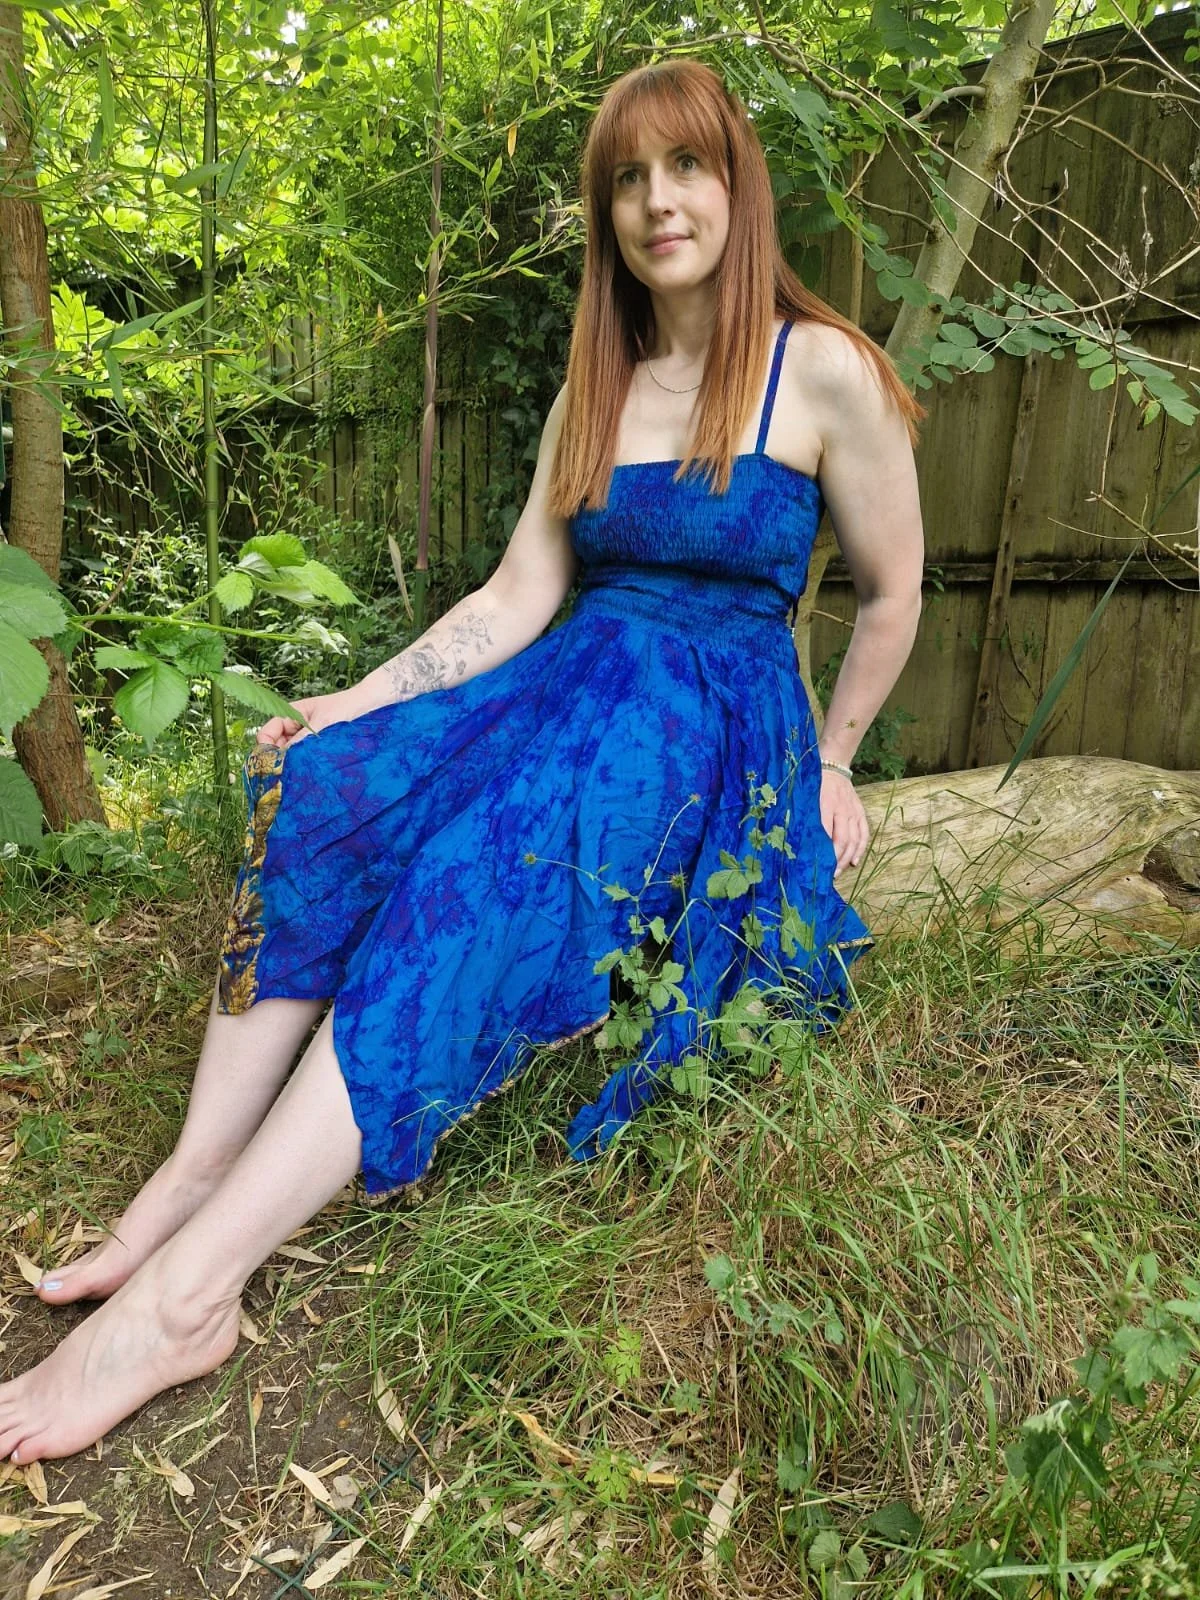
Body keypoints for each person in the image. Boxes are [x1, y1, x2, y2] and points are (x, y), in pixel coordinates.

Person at [0, 57, 924, 1463]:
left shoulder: (825, 370)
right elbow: (509, 600)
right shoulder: (596, 390)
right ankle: (191, 1173)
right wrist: (350, 702)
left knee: (484, 861)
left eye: (685, 168)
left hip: (704, 717)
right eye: (626, 177)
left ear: (739, 187)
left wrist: (838, 763)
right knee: (328, 785)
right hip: (567, 677)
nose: (656, 201)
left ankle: (189, 1299)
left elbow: (896, 586)